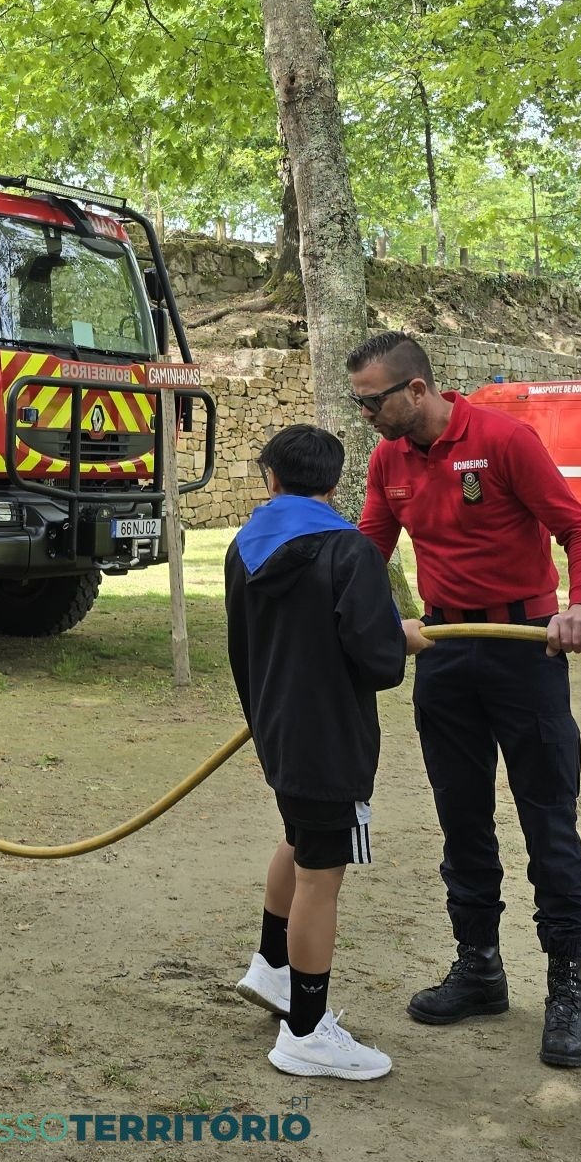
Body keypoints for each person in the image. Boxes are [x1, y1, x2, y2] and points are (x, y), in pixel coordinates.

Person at [349, 331, 581, 1068]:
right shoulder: (388, 460)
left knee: (547, 817)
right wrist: (376, 618)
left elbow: (579, 530)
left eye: (373, 401)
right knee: (461, 816)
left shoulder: (503, 441)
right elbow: (367, 552)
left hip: (525, 647)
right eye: (358, 403)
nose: (366, 415)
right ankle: (479, 967)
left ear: (418, 389)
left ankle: (566, 986)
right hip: (444, 650)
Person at [226, 425, 408, 1079]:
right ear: (334, 483)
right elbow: (380, 661)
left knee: (298, 840)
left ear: (271, 477)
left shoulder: (244, 546)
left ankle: (273, 968)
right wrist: (402, 636)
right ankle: (305, 1031)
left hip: (278, 730)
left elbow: (244, 645)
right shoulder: (350, 550)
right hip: (330, 741)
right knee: (320, 877)